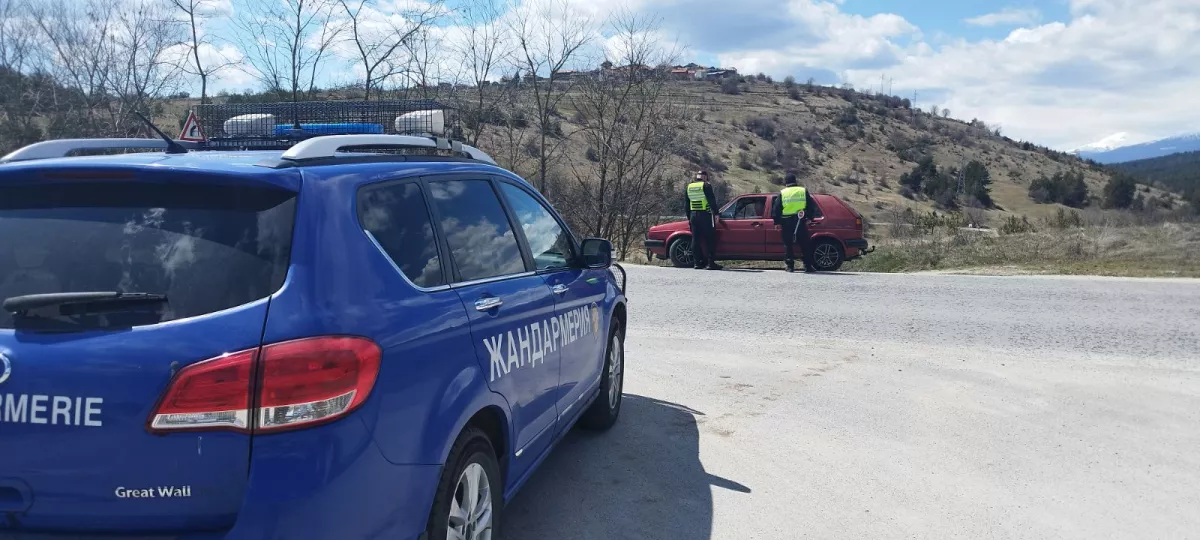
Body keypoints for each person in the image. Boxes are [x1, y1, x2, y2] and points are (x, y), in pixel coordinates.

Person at [771, 173, 817, 273]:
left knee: (788, 244)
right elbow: (811, 205)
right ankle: (808, 266)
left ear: (785, 182)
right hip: (800, 221)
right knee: (804, 244)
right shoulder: (802, 191)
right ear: (795, 181)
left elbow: (776, 208)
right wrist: (810, 217)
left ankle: (790, 266)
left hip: (786, 222)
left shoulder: (783, 193)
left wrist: (777, 222)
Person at [684, 170, 721, 270]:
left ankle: (696, 263)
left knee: (695, 239)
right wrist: (716, 213)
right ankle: (710, 263)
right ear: (705, 177)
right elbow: (711, 200)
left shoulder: (689, 187)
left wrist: (689, 218)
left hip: (693, 215)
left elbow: (687, 204)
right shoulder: (706, 186)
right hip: (705, 215)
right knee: (710, 238)